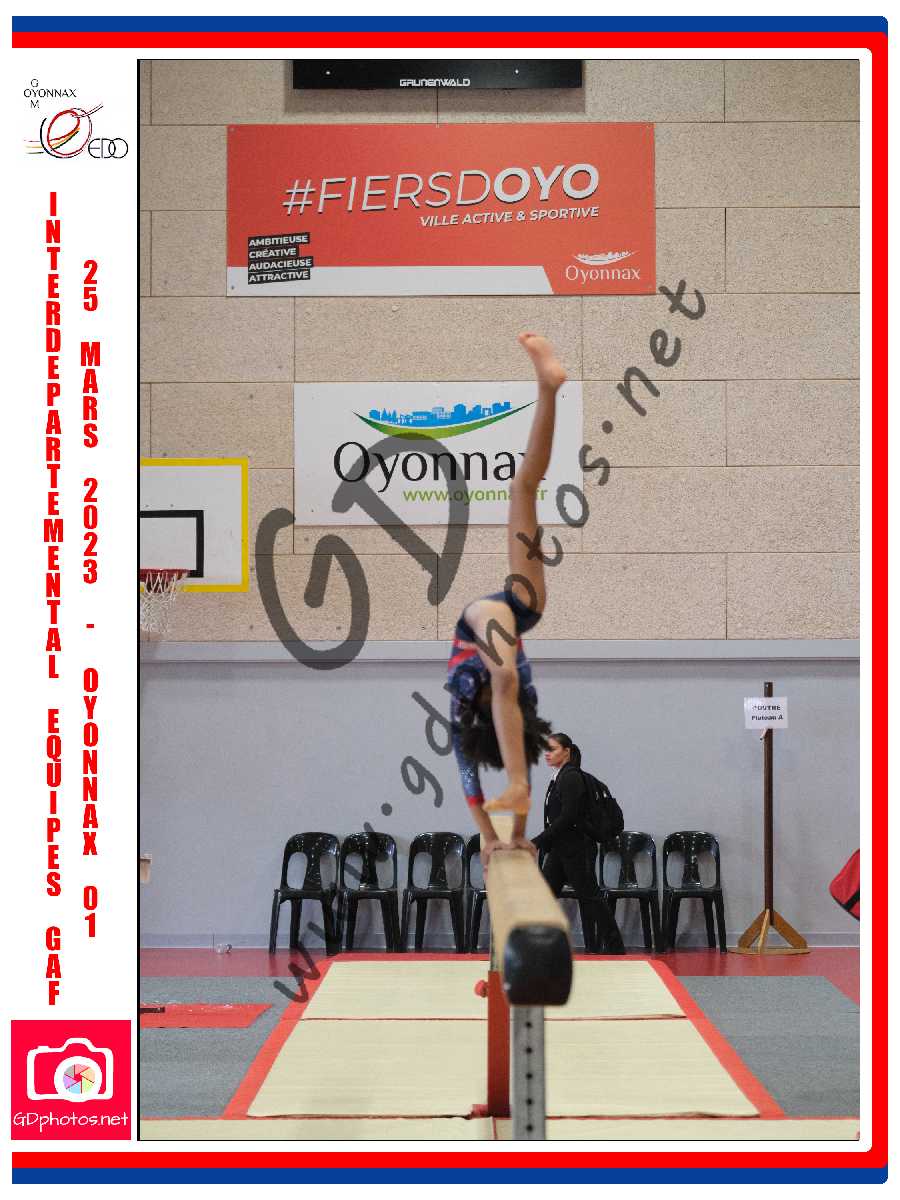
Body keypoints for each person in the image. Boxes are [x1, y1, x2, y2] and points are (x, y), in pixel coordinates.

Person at [447, 332, 565, 870]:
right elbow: (519, 738)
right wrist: (515, 833)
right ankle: (550, 389)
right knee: (524, 489)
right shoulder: (518, 698)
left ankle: (547, 389)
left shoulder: (462, 708)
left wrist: (489, 837)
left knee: (522, 488)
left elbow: (468, 781)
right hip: (519, 610)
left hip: (493, 617)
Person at [532, 733, 625, 954]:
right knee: (544, 896)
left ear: (566, 752)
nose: (547, 754)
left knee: (591, 899)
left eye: (553, 749)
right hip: (561, 849)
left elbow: (568, 817)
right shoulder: (560, 777)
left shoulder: (570, 777)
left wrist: (537, 841)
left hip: (576, 849)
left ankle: (616, 948)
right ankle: (535, 947)